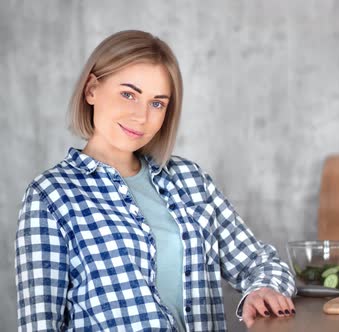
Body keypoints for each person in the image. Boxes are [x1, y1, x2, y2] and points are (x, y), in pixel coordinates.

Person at [15, 30, 296, 331]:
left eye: (157, 103)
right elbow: (39, 324)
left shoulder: (191, 182)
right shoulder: (50, 196)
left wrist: (262, 289)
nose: (141, 116)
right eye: (128, 94)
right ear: (91, 90)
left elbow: (261, 264)